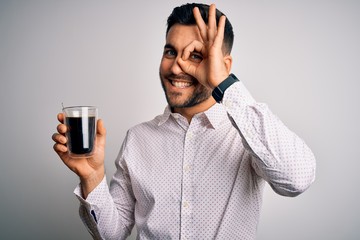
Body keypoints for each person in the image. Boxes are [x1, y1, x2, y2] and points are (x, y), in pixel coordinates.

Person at [52, 3, 316, 240]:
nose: (177, 66)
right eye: (170, 51)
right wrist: (93, 177)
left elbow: (297, 179)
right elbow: (113, 234)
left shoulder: (249, 134)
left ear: (223, 65)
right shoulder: (138, 138)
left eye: (195, 56)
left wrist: (223, 83)